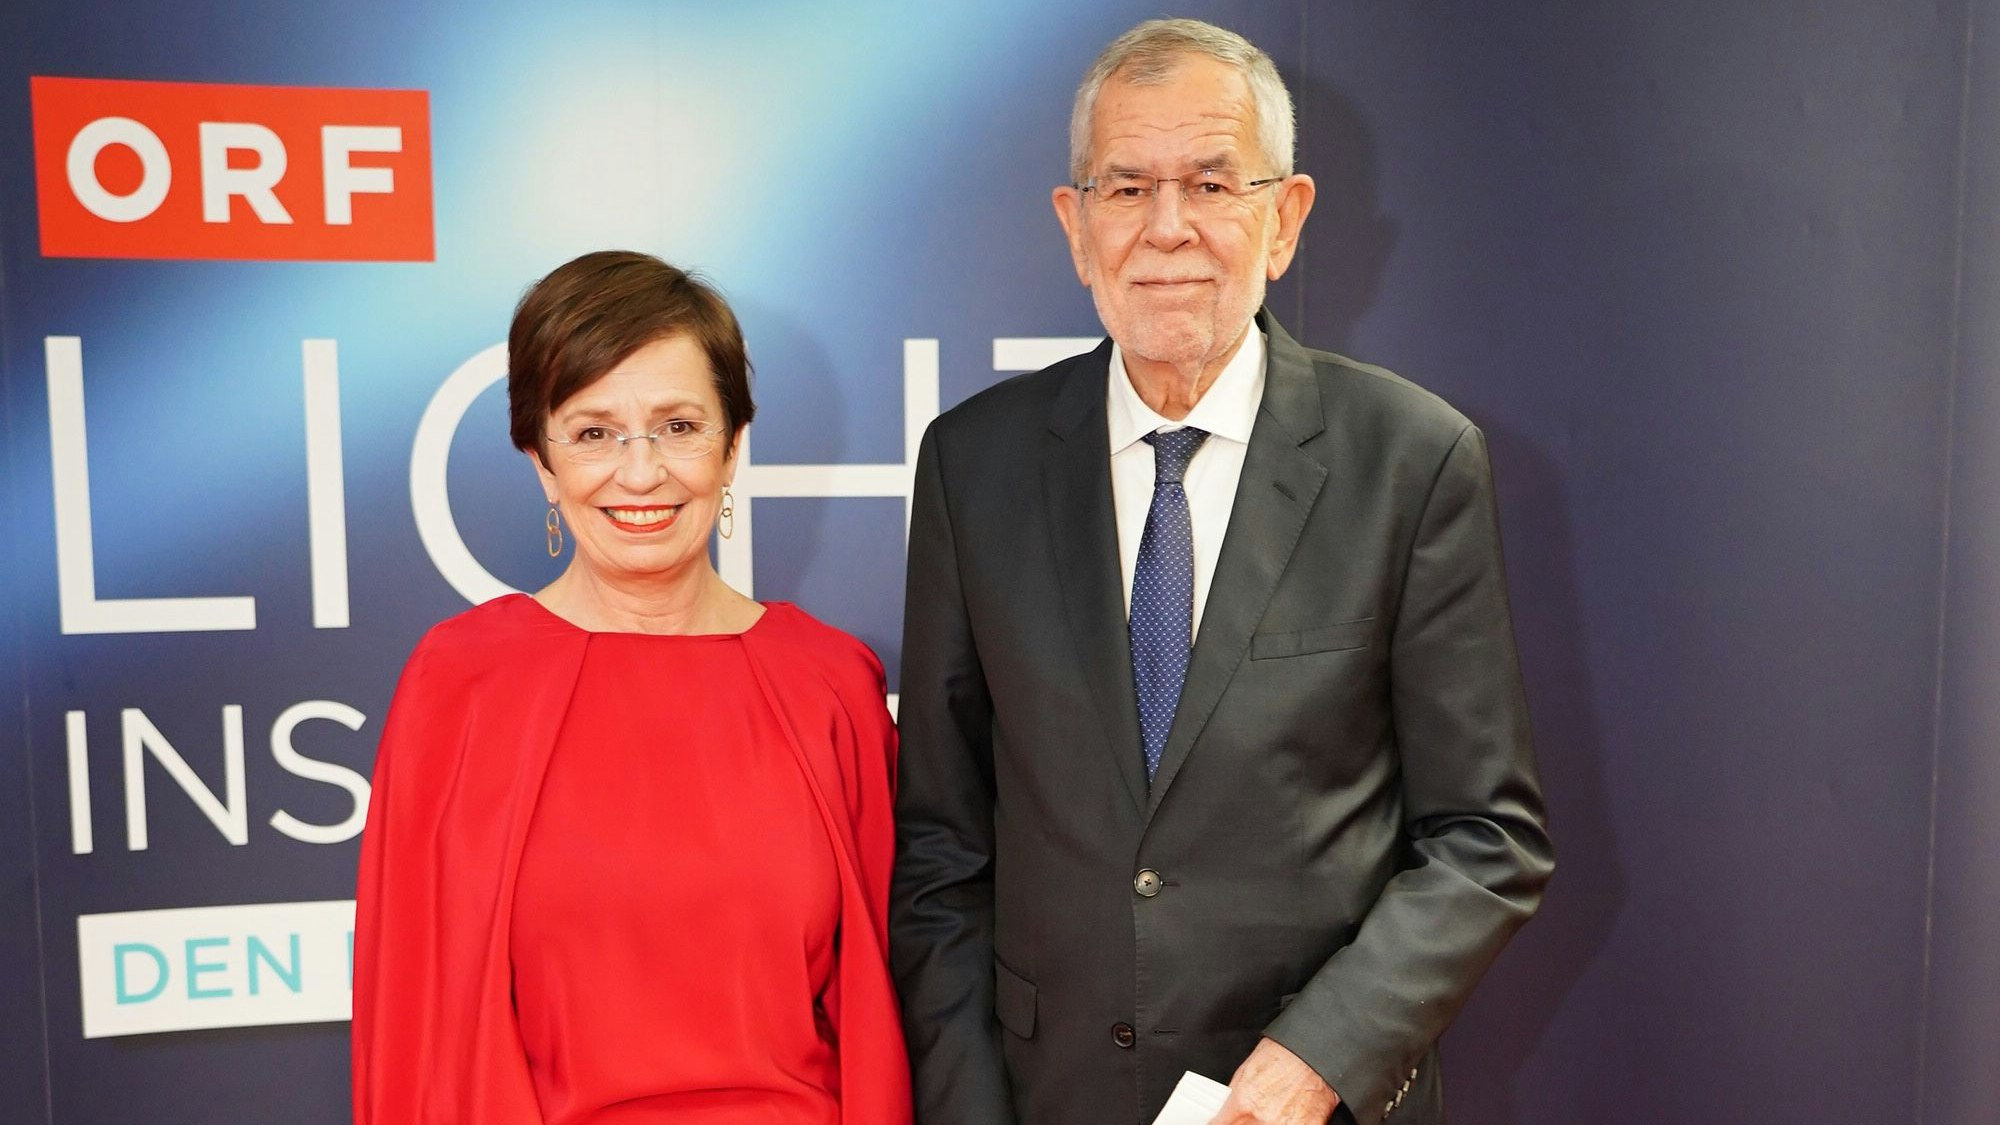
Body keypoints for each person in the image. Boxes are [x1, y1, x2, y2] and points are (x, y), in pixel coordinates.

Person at [891, 19, 1554, 1125]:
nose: (1166, 230)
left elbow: (1486, 837)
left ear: (1282, 218)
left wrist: (1321, 1059)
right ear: (1074, 223)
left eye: (1208, 182)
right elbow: (942, 852)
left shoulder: (1411, 457)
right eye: (1124, 188)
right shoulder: (974, 465)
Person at [351, 251, 911, 1125]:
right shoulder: (460, 682)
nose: (641, 472)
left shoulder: (830, 683)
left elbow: (889, 1017)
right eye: (594, 432)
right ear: (541, 459)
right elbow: (417, 1033)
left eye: (679, 426)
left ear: (733, 445)